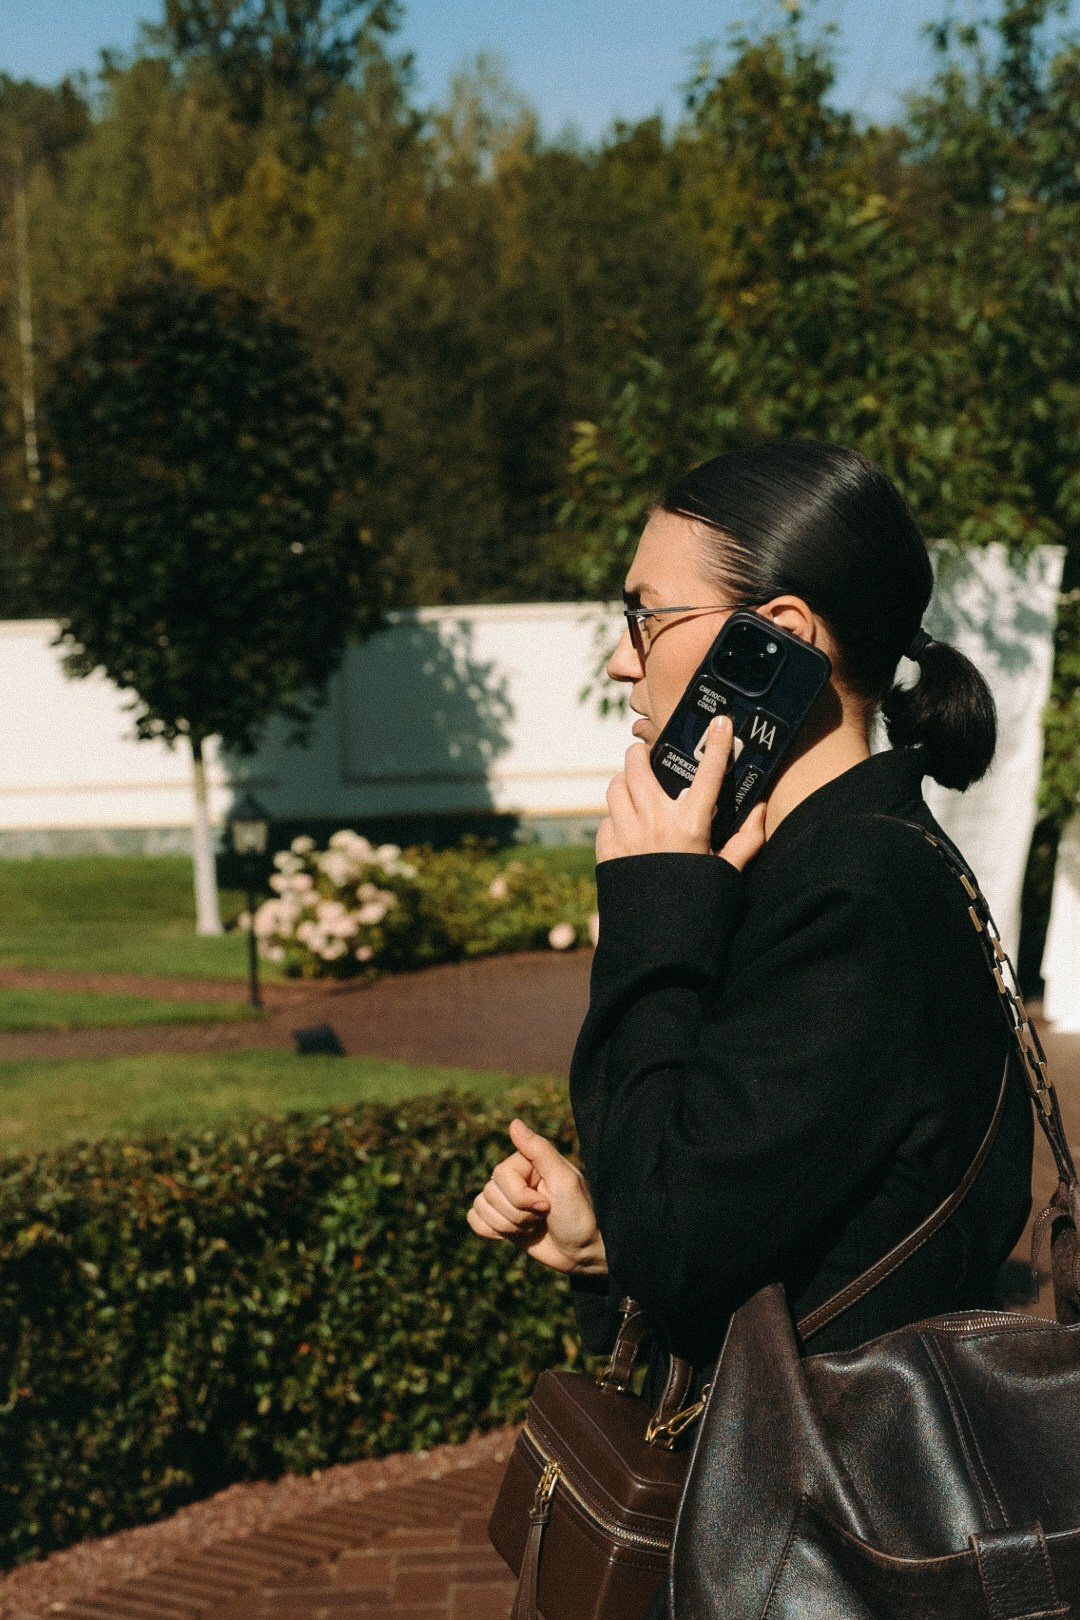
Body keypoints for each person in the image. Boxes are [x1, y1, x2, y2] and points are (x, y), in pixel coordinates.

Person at [467, 438, 1033, 1612]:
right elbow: (733, 1227)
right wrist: (601, 1239)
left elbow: (681, 1241)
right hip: (803, 1511)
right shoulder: (817, 869)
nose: (625, 667)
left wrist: (652, 915)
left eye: (645, 617)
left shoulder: (857, 895)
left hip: (835, 1545)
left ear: (774, 636)